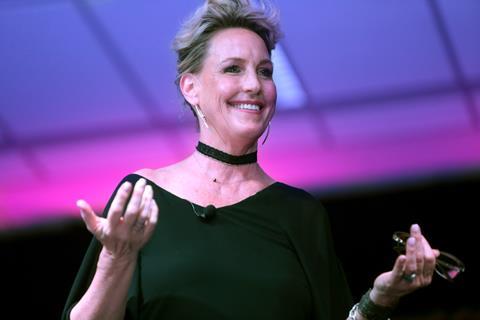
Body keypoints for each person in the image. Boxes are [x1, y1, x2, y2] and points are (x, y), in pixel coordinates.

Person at [62, 1, 440, 319]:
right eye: (233, 69)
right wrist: (118, 256)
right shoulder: (142, 197)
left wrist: (379, 301)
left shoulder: (300, 213)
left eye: (265, 71)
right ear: (190, 87)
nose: (254, 85)